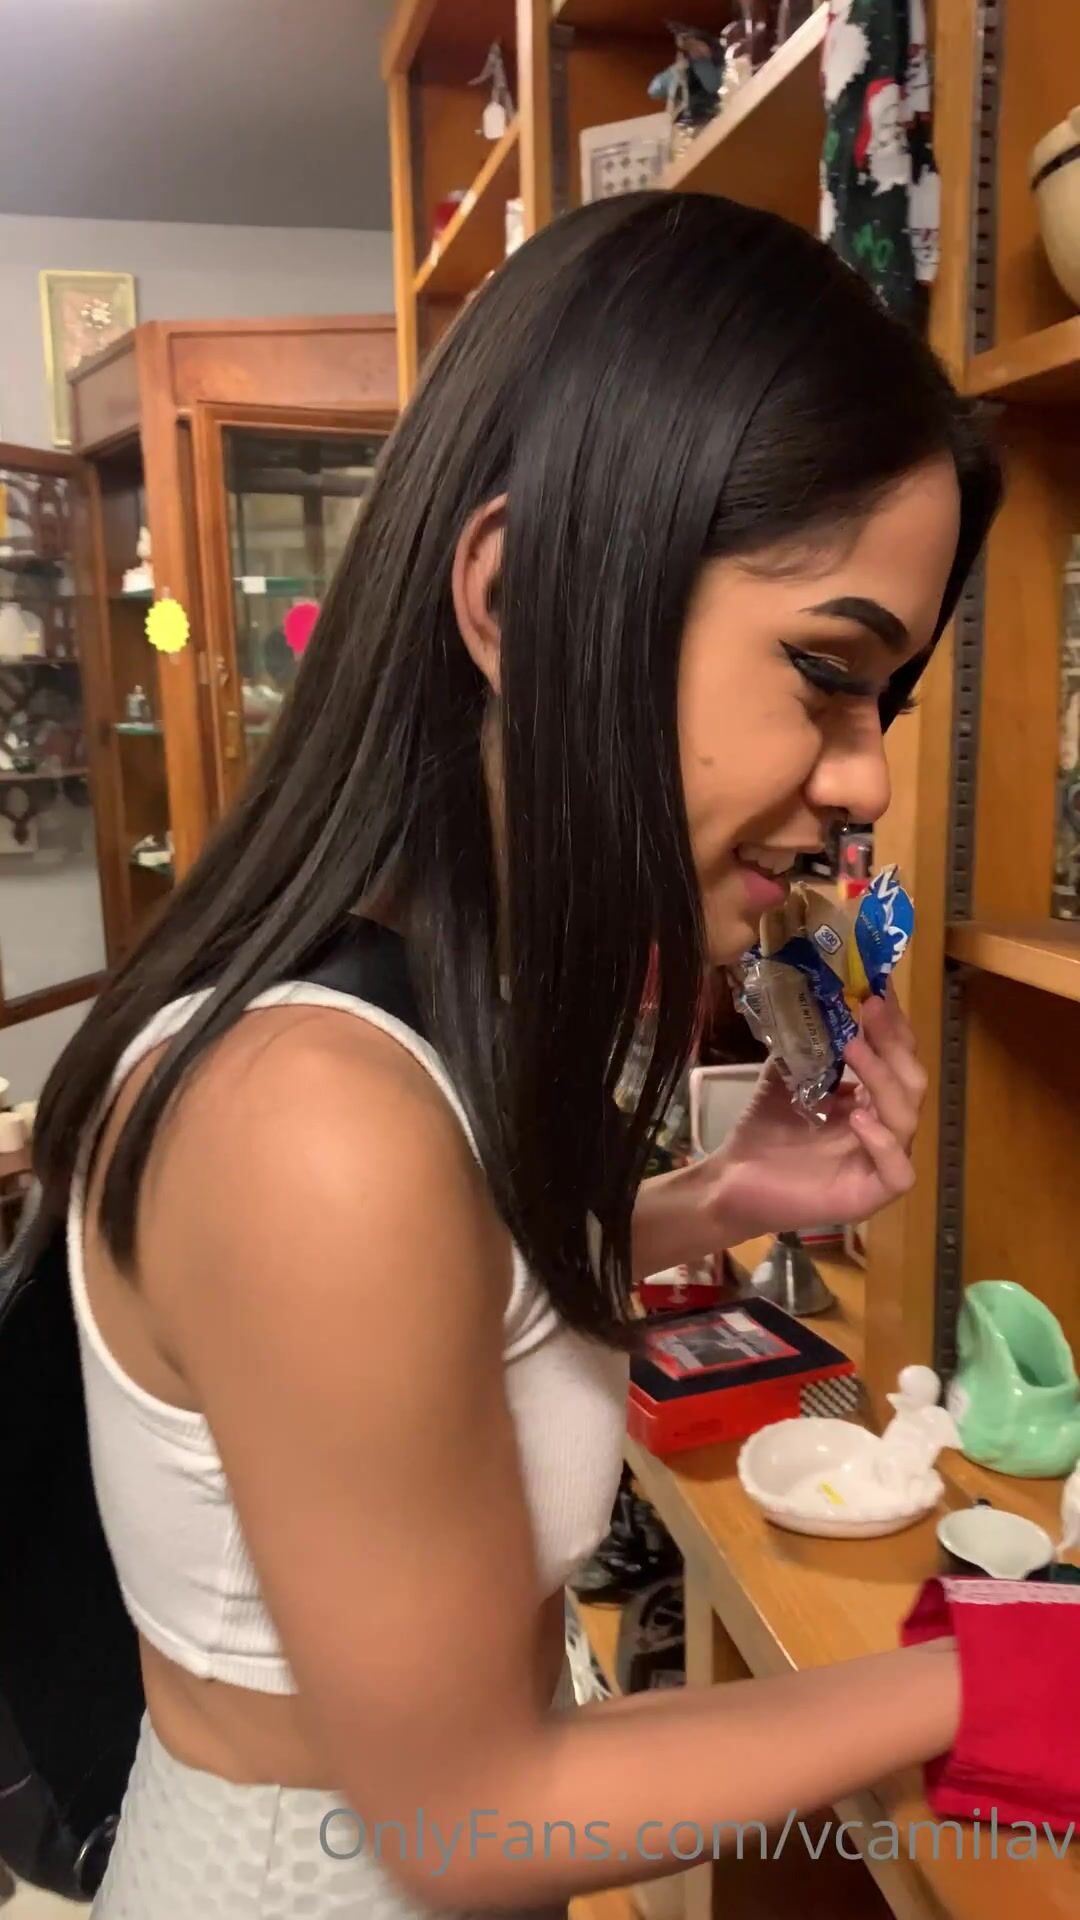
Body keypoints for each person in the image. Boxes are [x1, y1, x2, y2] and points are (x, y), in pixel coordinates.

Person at [32, 190, 1001, 1917]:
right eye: (826, 671)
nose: (861, 776)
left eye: (887, 700)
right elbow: (471, 1817)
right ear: (521, 596)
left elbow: (436, 1322)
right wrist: (998, 1676)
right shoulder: (310, 1117)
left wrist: (712, 1202)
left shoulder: (390, 1027)